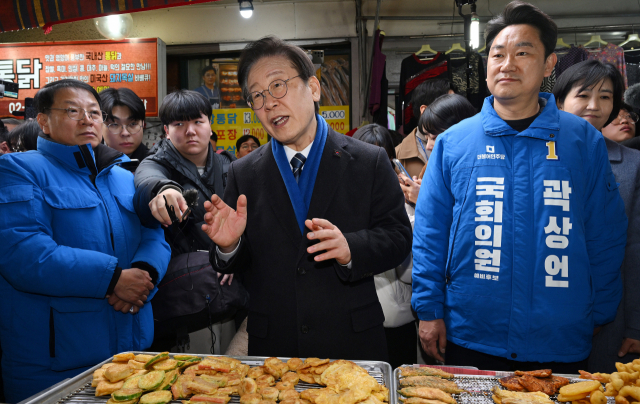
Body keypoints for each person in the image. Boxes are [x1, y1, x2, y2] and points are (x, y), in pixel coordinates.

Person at [412, 1, 627, 373]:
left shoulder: (581, 143)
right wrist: (429, 310)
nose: (507, 64)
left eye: (522, 52)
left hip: (559, 335)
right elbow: (431, 233)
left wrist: (600, 310)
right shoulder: (454, 143)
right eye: (498, 54)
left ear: (548, 65)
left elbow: (605, 234)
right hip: (472, 333)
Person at [201, 36, 412, 361]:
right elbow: (243, 266)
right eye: (256, 95)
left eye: (278, 86)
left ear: (313, 88)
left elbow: (398, 239)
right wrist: (229, 247)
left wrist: (350, 248)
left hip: (350, 341)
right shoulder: (245, 172)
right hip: (275, 345)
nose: (268, 102)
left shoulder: (368, 161)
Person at [0, 79, 170, 402]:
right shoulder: (18, 170)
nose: (87, 120)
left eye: (94, 112)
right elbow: (23, 252)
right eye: (72, 111)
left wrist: (145, 273)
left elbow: (154, 232)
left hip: (132, 358)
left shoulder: (122, 175)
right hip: (52, 368)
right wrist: (113, 280)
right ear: (44, 121)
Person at [552, 59, 640, 372]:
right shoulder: (535, 155)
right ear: (560, 100)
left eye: (605, 97)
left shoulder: (632, 164)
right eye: (584, 94)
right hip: (546, 311)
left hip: (609, 314)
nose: (594, 105)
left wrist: (635, 326)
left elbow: (635, 250)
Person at [352, 123, 416, 369]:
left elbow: (410, 273)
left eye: (379, 158)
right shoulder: (339, 199)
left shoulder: (406, 201)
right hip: (353, 321)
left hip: (395, 320)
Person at [399, 94, 477, 206]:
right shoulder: (431, 166)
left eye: (434, 137)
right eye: (426, 139)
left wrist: (424, 199)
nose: (428, 146)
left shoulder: (479, 169)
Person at [395, 78, 453, 178]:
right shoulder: (399, 155)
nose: (456, 109)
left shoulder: (464, 143)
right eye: (449, 106)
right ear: (424, 111)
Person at [100, 87, 150, 171]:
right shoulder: (88, 165)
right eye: (115, 124)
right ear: (99, 126)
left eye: (133, 124)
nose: (125, 133)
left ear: (143, 124)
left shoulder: (157, 164)